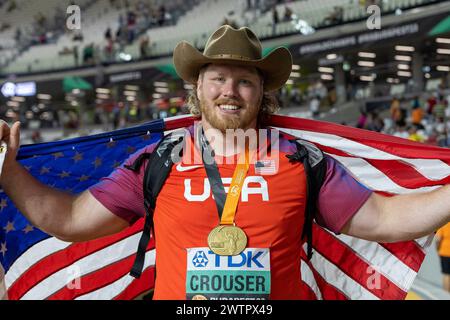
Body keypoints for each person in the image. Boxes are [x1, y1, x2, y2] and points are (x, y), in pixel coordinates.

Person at [0, 25, 450, 300]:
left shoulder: (302, 159)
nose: (229, 90)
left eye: (244, 80)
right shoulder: (160, 160)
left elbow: (385, 218)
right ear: (198, 88)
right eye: (217, 78)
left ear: (262, 91)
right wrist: (7, 169)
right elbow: (70, 220)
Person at [436, 223, 450, 292]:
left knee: (446, 274)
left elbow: (438, 239)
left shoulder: (444, 223)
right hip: (445, 252)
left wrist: (437, 249)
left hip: (445, 252)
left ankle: (446, 295)